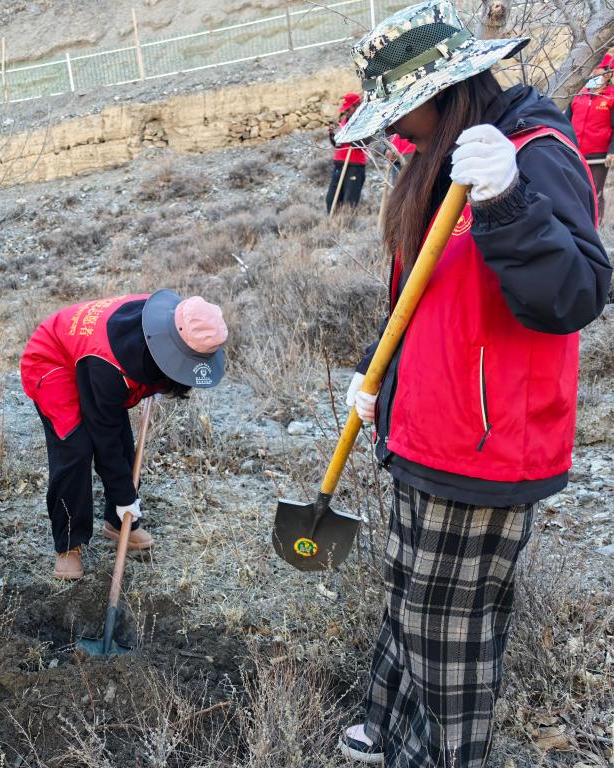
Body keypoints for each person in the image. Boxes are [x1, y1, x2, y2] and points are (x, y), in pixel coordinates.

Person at [332, 1, 611, 765]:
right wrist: (376, 371)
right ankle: (388, 721)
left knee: (447, 624)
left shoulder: (530, 151)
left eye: (401, 110)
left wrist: (509, 202)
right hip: (422, 424)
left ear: (443, 91)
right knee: (410, 591)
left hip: (485, 442)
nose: (396, 129)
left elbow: (576, 295)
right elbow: (425, 295)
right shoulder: (442, 155)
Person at [21, 291, 228, 580]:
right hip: (52, 358)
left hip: (92, 360)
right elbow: (103, 437)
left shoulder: (182, 323)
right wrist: (124, 496)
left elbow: (115, 433)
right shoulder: (109, 366)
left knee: (122, 442)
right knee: (76, 449)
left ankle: (119, 524)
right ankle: (68, 544)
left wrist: (158, 382)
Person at [566, 54, 614, 222]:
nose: (593, 73)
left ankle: (595, 229)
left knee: (594, 194)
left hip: (598, 157)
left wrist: (612, 151)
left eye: (597, 69)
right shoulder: (577, 94)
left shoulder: (611, 98)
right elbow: (564, 123)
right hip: (574, 154)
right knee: (572, 193)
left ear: (608, 74)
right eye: (591, 69)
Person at [327, 93, 367, 212]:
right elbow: (338, 144)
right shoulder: (344, 121)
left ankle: (346, 223)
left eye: (348, 108)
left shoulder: (363, 122)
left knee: (349, 203)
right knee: (331, 200)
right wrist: (332, 135)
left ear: (356, 106)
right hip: (339, 165)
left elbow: (364, 144)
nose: (346, 111)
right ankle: (333, 222)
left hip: (354, 166)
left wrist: (350, 136)